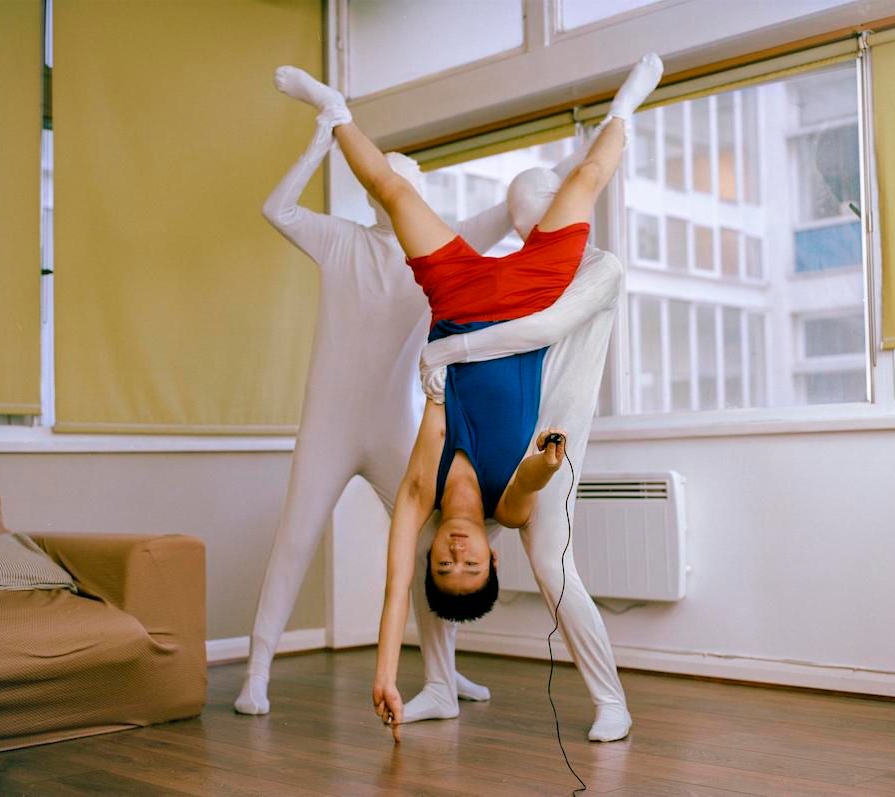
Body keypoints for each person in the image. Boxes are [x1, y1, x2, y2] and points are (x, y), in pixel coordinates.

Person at [269, 53, 664, 741]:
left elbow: (394, 588)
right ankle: (624, 113)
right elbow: (533, 483)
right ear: (490, 553)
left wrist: (384, 671)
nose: (454, 552)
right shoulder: (505, 507)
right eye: (470, 562)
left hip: (457, 301)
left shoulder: (418, 488)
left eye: (444, 564)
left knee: (394, 194)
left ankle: (334, 112)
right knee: (588, 179)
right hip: (528, 300)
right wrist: (547, 457)